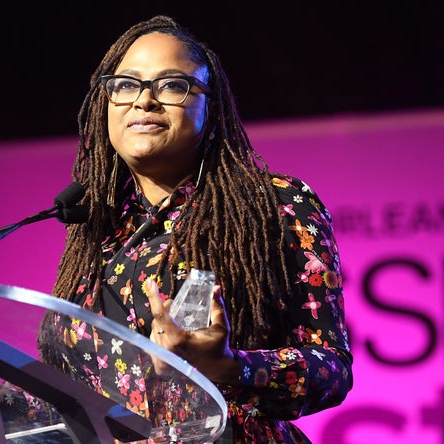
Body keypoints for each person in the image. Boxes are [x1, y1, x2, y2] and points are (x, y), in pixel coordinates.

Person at [34, 14, 353, 443]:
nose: (143, 101)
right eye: (126, 84)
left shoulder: (273, 204)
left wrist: (229, 366)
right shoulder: (101, 235)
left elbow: (330, 369)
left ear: (211, 105)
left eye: (170, 85)